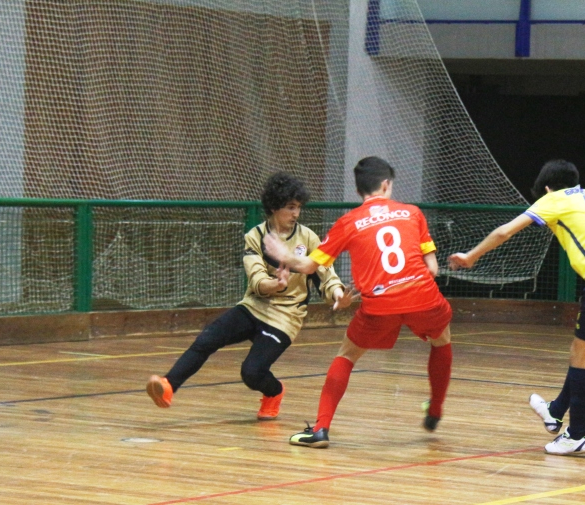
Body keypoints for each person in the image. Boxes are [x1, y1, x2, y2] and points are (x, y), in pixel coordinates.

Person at [449, 159, 585, 456]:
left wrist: (472, 256)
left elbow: (505, 231)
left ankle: (578, 436)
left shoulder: (553, 200)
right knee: (583, 352)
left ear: (546, 187)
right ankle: (555, 412)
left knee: (580, 356)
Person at [263, 156, 453, 449]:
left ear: (359, 191)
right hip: (422, 295)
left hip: (380, 304)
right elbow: (432, 269)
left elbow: (310, 266)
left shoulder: (348, 222)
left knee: (347, 355)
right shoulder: (412, 213)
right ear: (386, 185)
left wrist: (284, 255)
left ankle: (321, 429)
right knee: (441, 340)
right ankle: (436, 409)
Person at [145, 172, 354, 420]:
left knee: (251, 372)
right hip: (253, 306)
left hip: (285, 317)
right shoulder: (255, 236)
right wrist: (274, 284)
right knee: (207, 339)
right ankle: (169, 386)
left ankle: (274, 392)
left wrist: (338, 295)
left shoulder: (308, 237)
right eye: (290, 207)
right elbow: (256, 280)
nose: (296, 213)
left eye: (298, 207)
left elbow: (325, 274)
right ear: (275, 207)